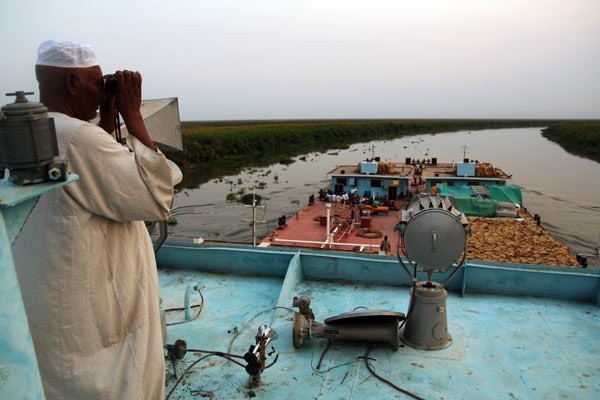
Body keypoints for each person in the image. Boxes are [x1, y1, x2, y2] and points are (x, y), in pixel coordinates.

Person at [12, 40, 182, 399]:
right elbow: (154, 198)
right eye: (95, 84)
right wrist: (132, 116)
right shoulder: (78, 138)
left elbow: (93, 176)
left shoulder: (32, 131)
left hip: (47, 301)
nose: (100, 92)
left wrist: (105, 119)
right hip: (93, 314)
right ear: (72, 83)